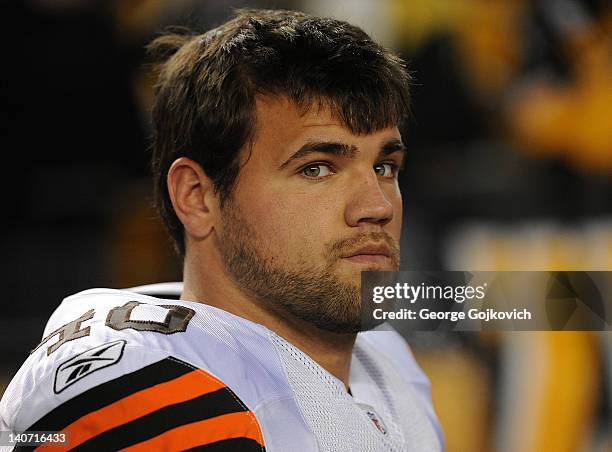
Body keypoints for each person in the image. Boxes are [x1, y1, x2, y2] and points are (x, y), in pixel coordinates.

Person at [0, 9, 443, 451]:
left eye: (385, 166)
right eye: (317, 168)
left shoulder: (389, 362)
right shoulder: (146, 390)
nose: (378, 206)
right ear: (197, 196)